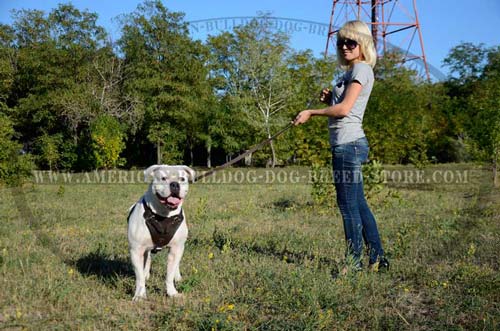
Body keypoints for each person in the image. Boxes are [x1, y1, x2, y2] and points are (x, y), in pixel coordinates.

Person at [294, 20, 389, 273]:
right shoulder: (351, 72)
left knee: (347, 206)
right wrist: (330, 97)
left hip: (348, 145)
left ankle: (354, 263)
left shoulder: (360, 70)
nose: (345, 46)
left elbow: (345, 110)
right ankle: (378, 259)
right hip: (349, 144)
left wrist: (311, 112)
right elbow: (344, 103)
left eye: (351, 42)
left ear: (363, 44)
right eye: (341, 42)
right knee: (358, 204)